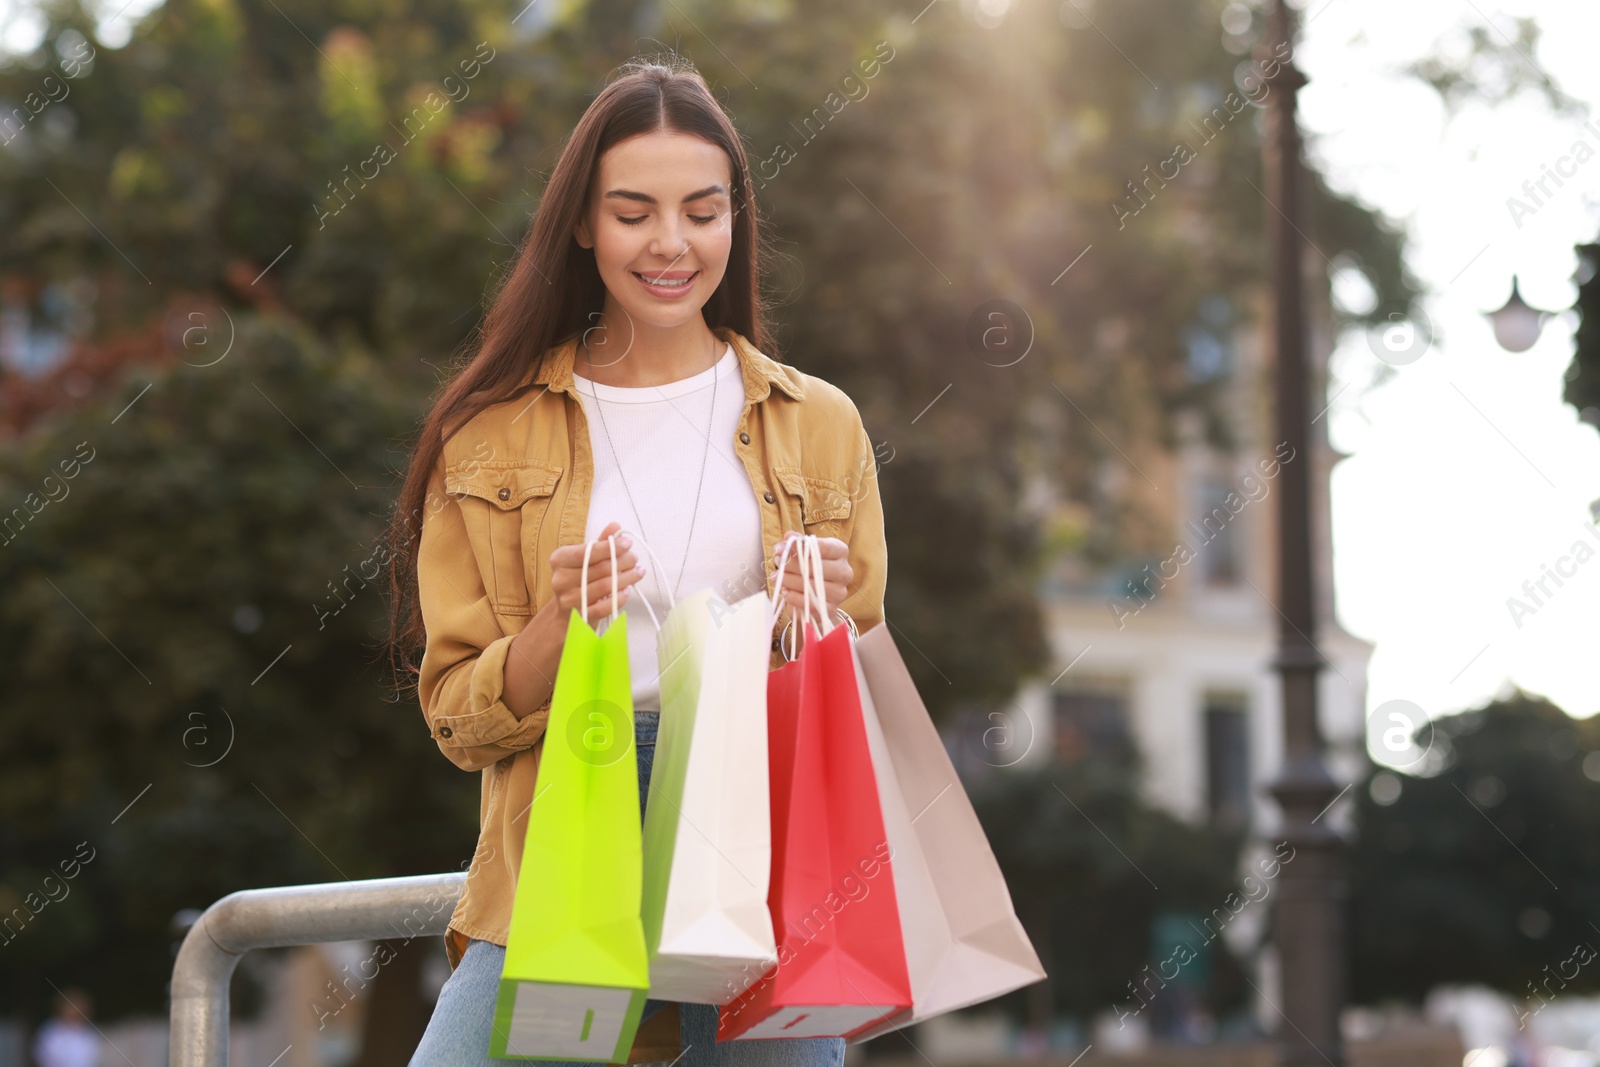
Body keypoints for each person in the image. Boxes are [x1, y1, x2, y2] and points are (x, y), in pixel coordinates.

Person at [386, 52, 888, 1067]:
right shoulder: (487, 435)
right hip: (568, 817)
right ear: (582, 222)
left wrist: (816, 622)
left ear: (735, 218)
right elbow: (455, 710)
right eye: (633, 212)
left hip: (756, 828)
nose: (671, 243)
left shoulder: (819, 422)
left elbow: (860, 689)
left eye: (702, 211)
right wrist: (552, 629)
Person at [33, 988, 100, 1067]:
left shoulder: (92, 1031)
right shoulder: (50, 1031)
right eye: (71, 1006)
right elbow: (43, 1056)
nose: (75, 1011)